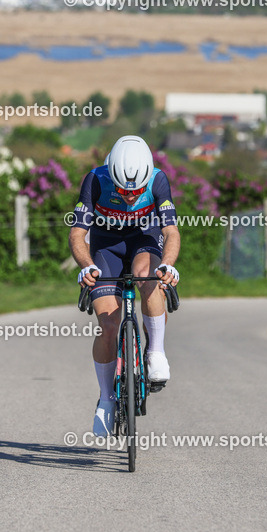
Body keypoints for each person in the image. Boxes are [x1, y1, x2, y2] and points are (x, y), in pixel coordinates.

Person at [69, 135, 180, 437]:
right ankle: (105, 400)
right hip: (106, 246)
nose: (130, 197)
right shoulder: (95, 180)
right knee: (108, 324)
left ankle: (155, 352)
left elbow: (170, 231)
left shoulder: (158, 180)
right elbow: (78, 234)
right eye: (121, 191)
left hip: (145, 239)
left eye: (136, 192)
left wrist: (168, 264)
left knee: (148, 275)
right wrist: (86, 265)